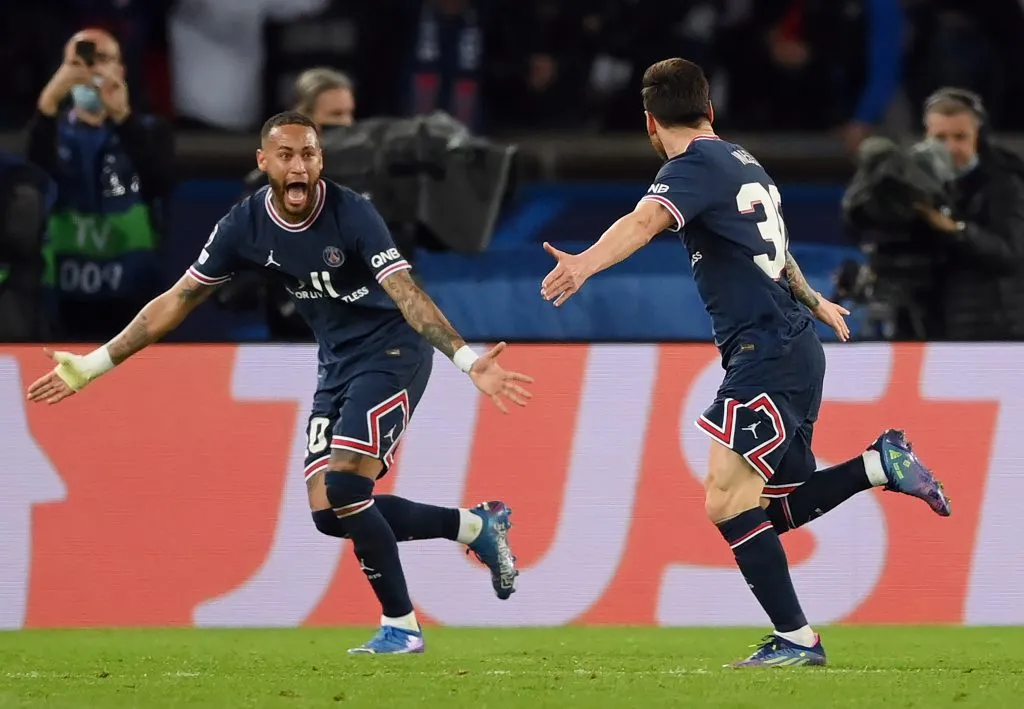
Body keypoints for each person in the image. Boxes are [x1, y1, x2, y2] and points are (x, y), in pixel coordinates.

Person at [26, 111, 531, 655]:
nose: (299, 166)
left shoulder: (353, 213)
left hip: (392, 350)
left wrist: (464, 358)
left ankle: (402, 627)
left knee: (345, 488)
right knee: (328, 514)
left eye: (309, 155)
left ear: (321, 161)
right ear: (263, 162)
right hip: (336, 362)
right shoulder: (243, 226)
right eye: (286, 155)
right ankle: (476, 527)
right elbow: (174, 302)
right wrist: (93, 364)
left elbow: (406, 292)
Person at [540, 58, 951, 667]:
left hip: (766, 350)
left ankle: (798, 639)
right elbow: (777, 254)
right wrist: (815, 301)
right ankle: (876, 465)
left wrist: (584, 263)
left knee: (727, 503)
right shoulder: (742, 161)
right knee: (765, 506)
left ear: (650, 121)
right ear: (710, 109)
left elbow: (644, 220)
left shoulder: (692, 168)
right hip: (791, 347)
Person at [26, 28, 173, 340]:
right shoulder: (51, 132)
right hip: (64, 303)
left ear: (121, 70)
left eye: (103, 59)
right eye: (80, 62)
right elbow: (35, 180)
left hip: (134, 299)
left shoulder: (149, 130)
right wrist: (48, 103)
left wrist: (122, 116)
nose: (91, 70)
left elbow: (160, 182)